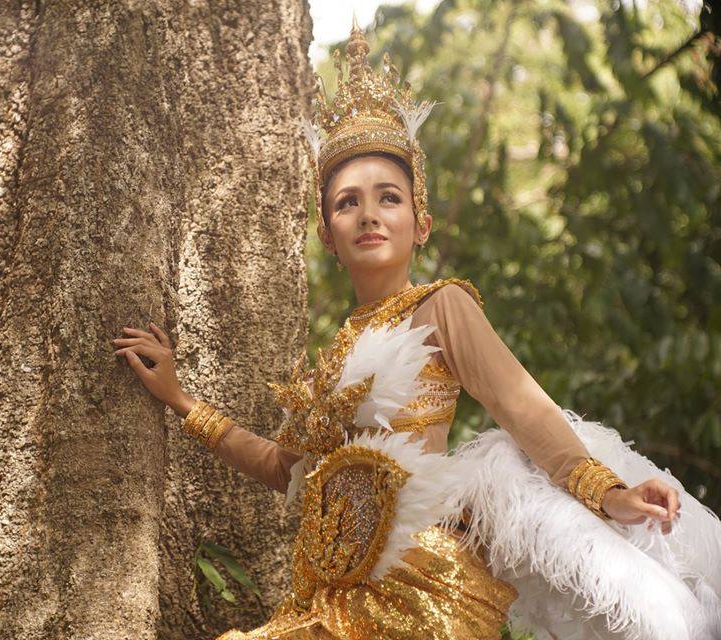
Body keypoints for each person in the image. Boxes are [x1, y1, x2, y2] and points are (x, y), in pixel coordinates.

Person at [111, 21, 720, 640]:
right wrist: (181, 401)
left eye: (388, 198)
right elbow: (282, 466)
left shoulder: (441, 307)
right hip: (326, 600)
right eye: (347, 202)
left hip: (423, 594)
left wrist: (609, 495)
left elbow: (521, 408)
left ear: (420, 223)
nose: (368, 213)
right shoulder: (333, 358)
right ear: (328, 235)